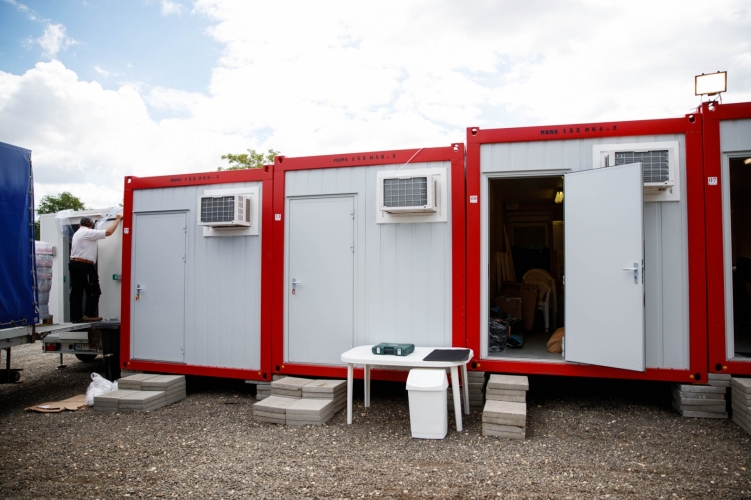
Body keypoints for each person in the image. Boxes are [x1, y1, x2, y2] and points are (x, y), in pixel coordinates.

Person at [69, 214, 122, 322]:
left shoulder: (77, 233)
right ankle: (89, 315)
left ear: (80, 224)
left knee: (76, 291)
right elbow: (109, 232)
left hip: (74, 264)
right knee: (94, 290)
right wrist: (117, 220)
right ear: (91, 225)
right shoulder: (88, 232)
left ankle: (76, 317)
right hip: (84, 265)